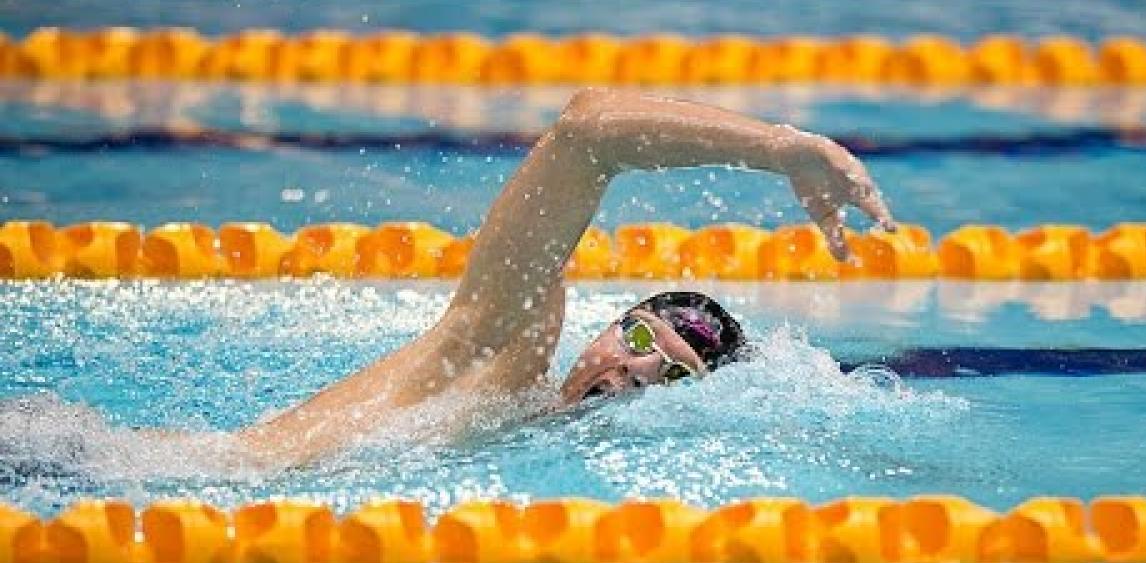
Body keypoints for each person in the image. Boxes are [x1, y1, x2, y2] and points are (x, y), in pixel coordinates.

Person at [236, 88, 894, 467]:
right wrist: (779, 149)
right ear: (605, 330)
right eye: (638, 342)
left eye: (671, 377)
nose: (636, 373)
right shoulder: (499, 355)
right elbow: (585, 132)